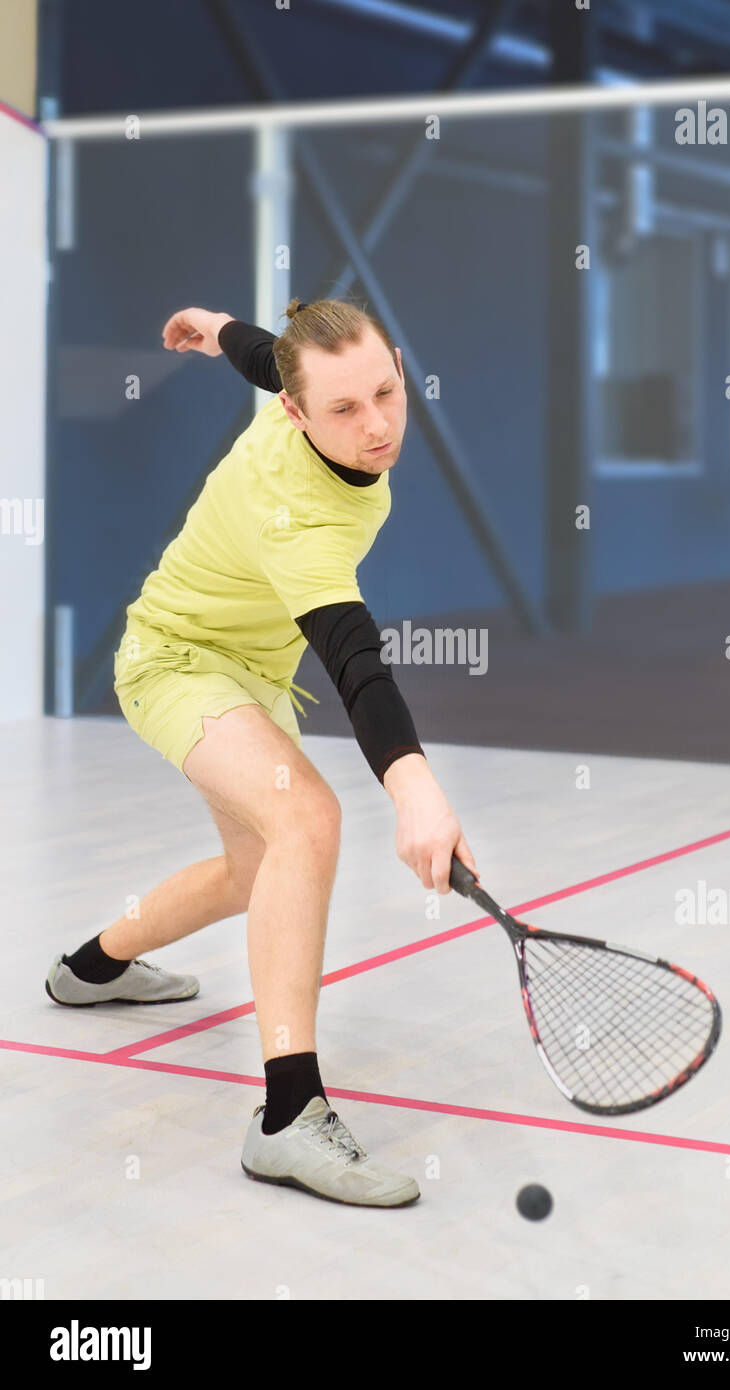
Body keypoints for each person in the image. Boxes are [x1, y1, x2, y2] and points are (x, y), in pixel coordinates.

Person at [45, 297, 479, 1209]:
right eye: (344, 412)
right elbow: (357, 661)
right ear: (297, 415)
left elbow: (268, 357)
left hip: (251, 675)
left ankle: (91, 969)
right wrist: (417, 789)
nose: (376, 426)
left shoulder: (303, 384)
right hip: (175, 661)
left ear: (397, 364)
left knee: (256, 873)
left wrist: (218, 330)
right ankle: (287, 1117)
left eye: (386, 393)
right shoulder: (302, 517)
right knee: (307, 821)